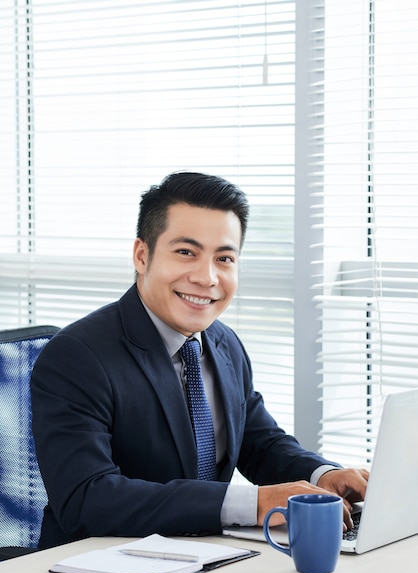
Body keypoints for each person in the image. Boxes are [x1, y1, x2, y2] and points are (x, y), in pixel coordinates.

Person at [31, 171, 369, 549]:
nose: (207, 277)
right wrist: (255, 504)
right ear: (142, 255)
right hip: (96, 569)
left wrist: (322, 475)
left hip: (201, 558)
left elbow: (259, 443)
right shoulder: (78, 355)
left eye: (224, 258)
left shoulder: (222, 342)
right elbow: (87, 499)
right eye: (186, 252)